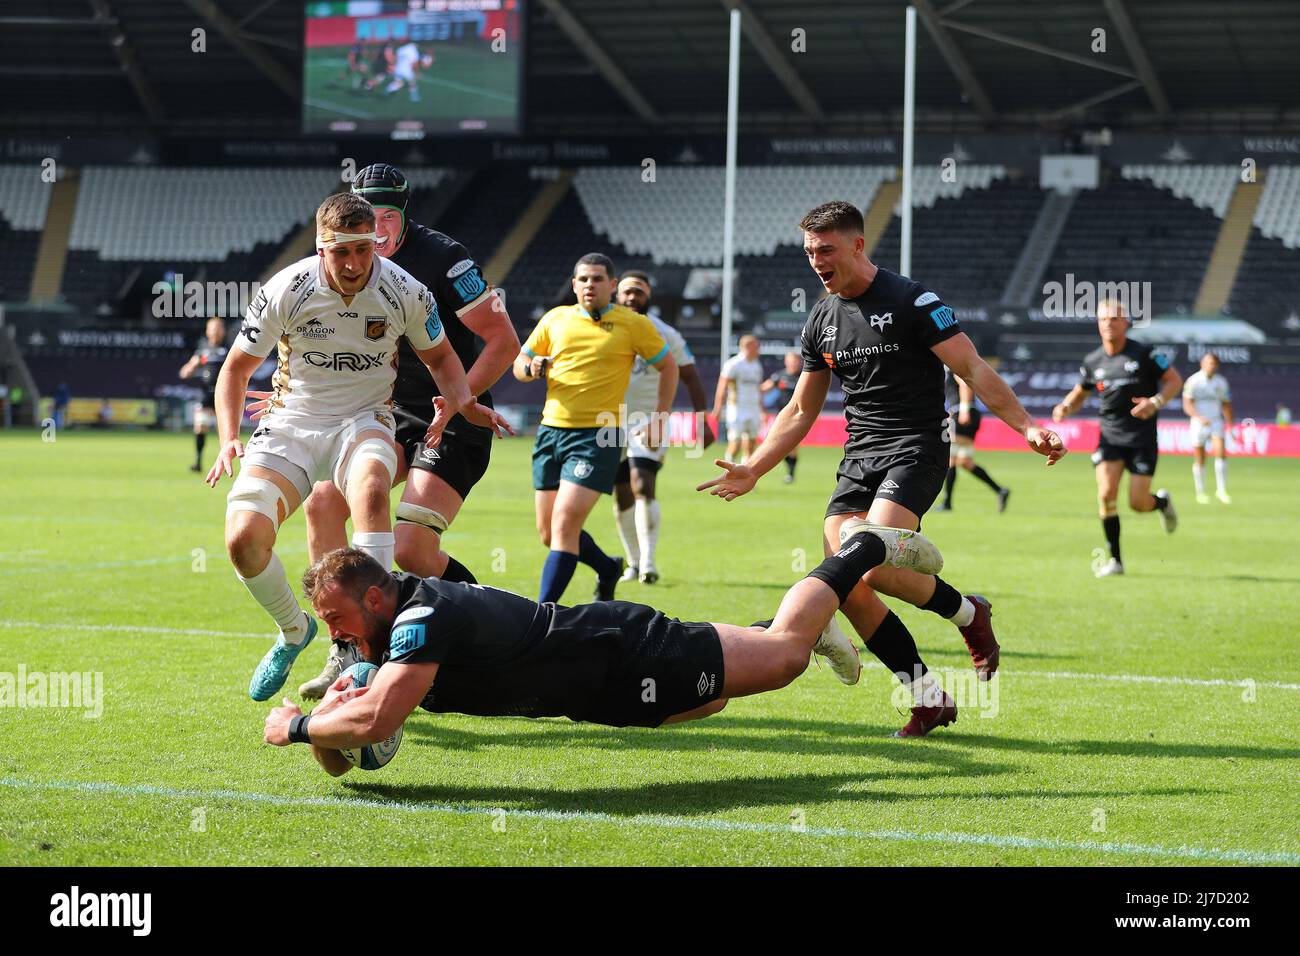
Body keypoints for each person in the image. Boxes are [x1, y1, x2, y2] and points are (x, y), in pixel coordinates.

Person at [699, 200, 1065, 736]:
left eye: (825, 249)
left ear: (856, 245)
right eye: (808, 252)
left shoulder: (914, 299)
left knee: (864, 559)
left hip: (917, 446)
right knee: (851, 584)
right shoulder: (821, 320)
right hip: (859, 456)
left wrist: (1026, 425)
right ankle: (934, 687)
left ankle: (961, 620)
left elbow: (970, 366)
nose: (816, 261)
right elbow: (801, 408)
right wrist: (754, 467)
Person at [261, 522, 946, 772]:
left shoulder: (417, 620)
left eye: (336, 617)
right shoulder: (388, 633)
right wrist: (332, 724)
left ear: (374, 598)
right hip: (597, 691)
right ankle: (789, 624)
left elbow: (378, 725)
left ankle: (863, 547)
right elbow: (357, 755)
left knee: (787, 661)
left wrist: (295, 725)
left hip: (622, 653)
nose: (335, 633)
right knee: (704, 709)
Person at [207, 192, 509, 701]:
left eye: (363, 250)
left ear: (376, 244)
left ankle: (376, 654)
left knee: (370, 491)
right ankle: (294, 631)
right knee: (242, 540)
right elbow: (234, 370)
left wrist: (463, 401)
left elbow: (441, 357)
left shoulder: (405, 290)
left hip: (364, 419)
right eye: (340, 252)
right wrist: (227, 438)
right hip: (291, 422)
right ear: (320, 247)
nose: (353, 264)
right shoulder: (287, 287)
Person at [514, 253, 677, 604]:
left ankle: (544, 614)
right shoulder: (555, 319)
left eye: (598, 279)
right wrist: (533, 367)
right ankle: (607, 567)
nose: (590, 285)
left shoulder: (632, 324)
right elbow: (519, 363)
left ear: (612, 285)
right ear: (574, 285)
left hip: (598, 436)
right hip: (550, 433)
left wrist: (659, 417)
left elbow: (669, 366)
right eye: (583, 279)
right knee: (549, 532)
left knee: (563, 526)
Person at [1052, 300, 1182, 577]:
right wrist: (1065, 406)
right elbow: (1081, 392)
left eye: (1115, 318)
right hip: (1110, 437)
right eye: (1103, 319)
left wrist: (1156, 402)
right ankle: (1116, 561)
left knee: (1137, 502)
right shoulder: (1093, 361)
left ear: (1126, 322)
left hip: (1142, 438)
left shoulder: (1146, 354)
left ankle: (1161, 503)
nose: (1108, 323)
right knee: (1106, 495)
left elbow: (1174, 380)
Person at [611, 270, 713, 585]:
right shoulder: (603, 328)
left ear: (648, 296)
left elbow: (690, 375)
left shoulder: (665, 332)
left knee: (643, 484)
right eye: (627, 291)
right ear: (617, 294)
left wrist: (701, 421)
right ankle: (633, 562)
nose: (632, 297)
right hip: (607, 420)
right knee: (621, 493)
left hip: (649, 419)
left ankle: (649, 565)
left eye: (638, 292)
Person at [936, 368, 1010, 512]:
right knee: (964, 462)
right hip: (967, 412)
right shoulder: (950, 365)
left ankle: (947, 503)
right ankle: (1000, 490)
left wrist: (963, 409)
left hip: (962, 412)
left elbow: (965, 383)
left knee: (951, 459)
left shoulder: (953, 365)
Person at [1181, 351, 1233, 505]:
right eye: (1208, 362)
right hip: (1198, 423)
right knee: (1200, 458)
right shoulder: (1193, 381)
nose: (1211, 366)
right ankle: (1201, 492)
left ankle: (1221, 490)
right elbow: (1187, 404)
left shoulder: (1221, 383)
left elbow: (1226, 404)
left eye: (1213, 363)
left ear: (1216, 365)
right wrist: (1198, 417)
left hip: (1216, 422)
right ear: (1202, 364)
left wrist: (1231, 424)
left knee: (1221, 453)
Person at [179, 317, 229, 473]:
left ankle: (228, 462)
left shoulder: (229, 349)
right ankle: (198, 461)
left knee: (226, 430)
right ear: (207, 331)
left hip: (224, 394)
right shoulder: (203, 350)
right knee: (200, 426)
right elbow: (188, 368)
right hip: (205, 394)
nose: (215, 331)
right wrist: (188, 370)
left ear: (223, 330)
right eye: (212, 328)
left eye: (218, 328)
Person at [713, 335, 765, 463]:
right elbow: (722, 387)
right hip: (737, 408)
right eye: (756, 346)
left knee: (751, 443)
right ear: (747, 346)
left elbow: (757, 390)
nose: (759, 349)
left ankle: (744, 473)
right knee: (735, 443)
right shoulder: (733, 364)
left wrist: (762, 410)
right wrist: (718, 408)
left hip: (753, 408)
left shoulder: (757, 365)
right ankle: (728, 471)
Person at [760, 351, 802, 483]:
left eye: (795, 360)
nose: (793, 363)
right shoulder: (779, 376)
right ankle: (789, 473)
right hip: (782, 416)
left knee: (792, 445)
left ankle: (790, 473)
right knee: (783, 444)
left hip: (798, 415)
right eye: (791, 360)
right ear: (786, 362)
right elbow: (763, 388)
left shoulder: (804, 376)